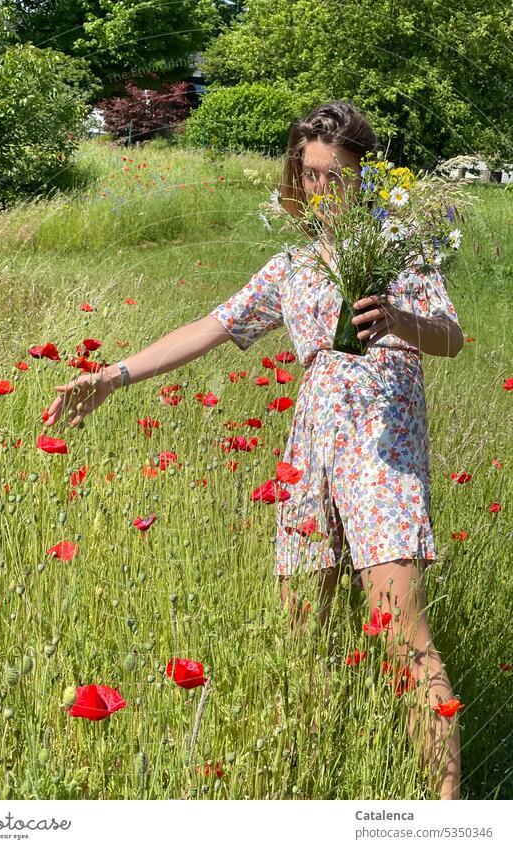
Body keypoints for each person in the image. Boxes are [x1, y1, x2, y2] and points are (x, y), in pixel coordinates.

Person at [43, 99, 464, 801]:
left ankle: (451, 817)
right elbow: (208, 327)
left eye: (337, 176)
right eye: (310, 176)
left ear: (365, 175)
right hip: (313, 453)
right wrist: (113, 375)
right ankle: (321, 780)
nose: (323, 191)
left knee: (403, 635)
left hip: (383, 455)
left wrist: (398, 317)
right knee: (303, 634)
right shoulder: (293, 265)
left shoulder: (401, 250)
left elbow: (450, 336)